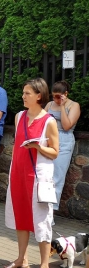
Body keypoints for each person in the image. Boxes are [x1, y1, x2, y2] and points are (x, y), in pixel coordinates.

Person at [4, 78, 59, 268]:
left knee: (42, 219)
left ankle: (44, 266)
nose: (23, 96)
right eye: (23, 92)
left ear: (39, 96)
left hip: (38, 176)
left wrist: (38, 147)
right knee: (21, 216)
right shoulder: (19, 116)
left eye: (27, 93)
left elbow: (55, 152)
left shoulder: (49, 121)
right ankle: (22, 259)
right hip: (18, 172)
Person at [44, 80, 80, 211]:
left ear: (65, 94)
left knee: (57, 177)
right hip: (49, 139)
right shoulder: (49, 104)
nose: (55, 99)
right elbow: (42, 121)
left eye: (58, 96)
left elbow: (66, 126)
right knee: (44, 175)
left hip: (64, 141)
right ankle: (42, 209)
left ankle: (51, 211)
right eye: (53, 96)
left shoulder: (74, 105)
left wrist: (63, 106)